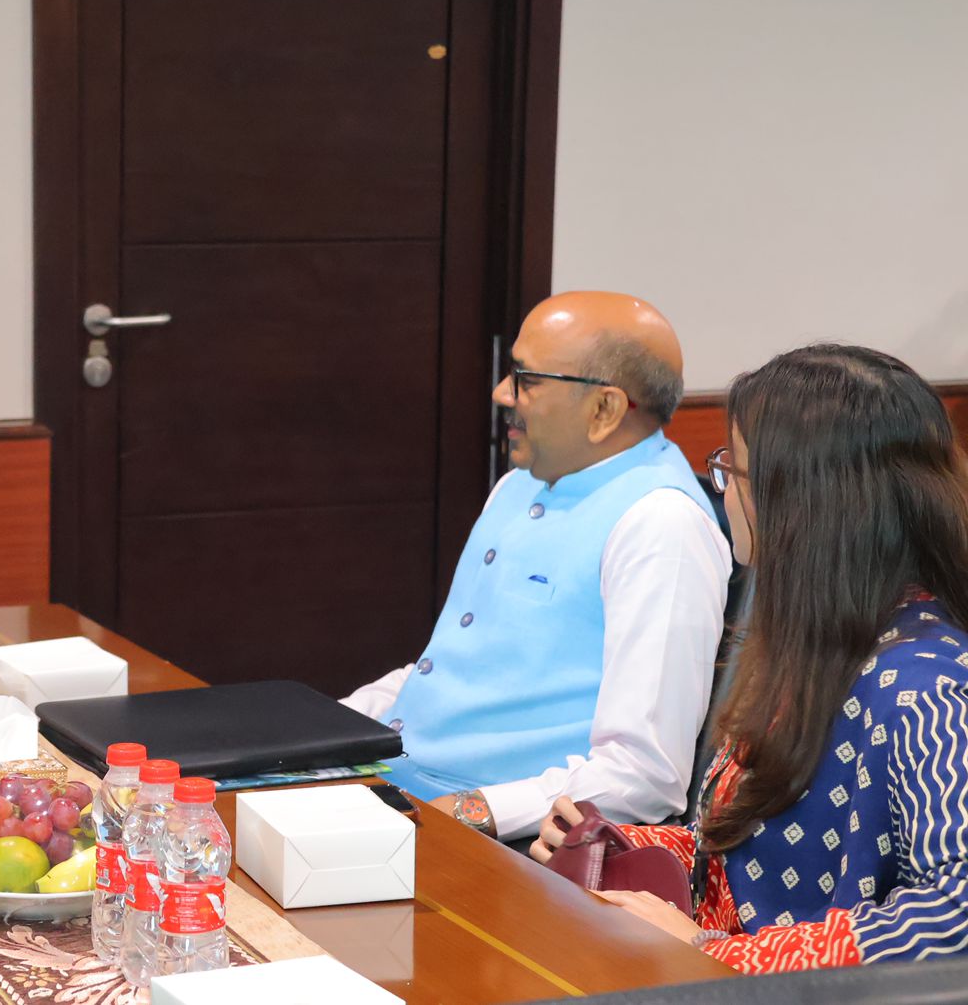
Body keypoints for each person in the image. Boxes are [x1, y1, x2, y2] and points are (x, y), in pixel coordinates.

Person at [532, 344, 968, 970]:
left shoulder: (928, 687)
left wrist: (713, 953)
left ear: (800, 503)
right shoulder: (823, 639)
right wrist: (625, 845)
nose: (723, 492)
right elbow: (759, 859)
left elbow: (955, 913)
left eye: (728, 469)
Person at [343, 291, 731, 840]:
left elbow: (644, 774)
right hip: (397, 786)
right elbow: (452, 673)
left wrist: (475, 811)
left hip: (494, 835)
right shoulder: (518, 485)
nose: (503, 394)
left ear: (605, 409)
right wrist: (323, 730)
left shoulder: (662, 524)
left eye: (526, 379)